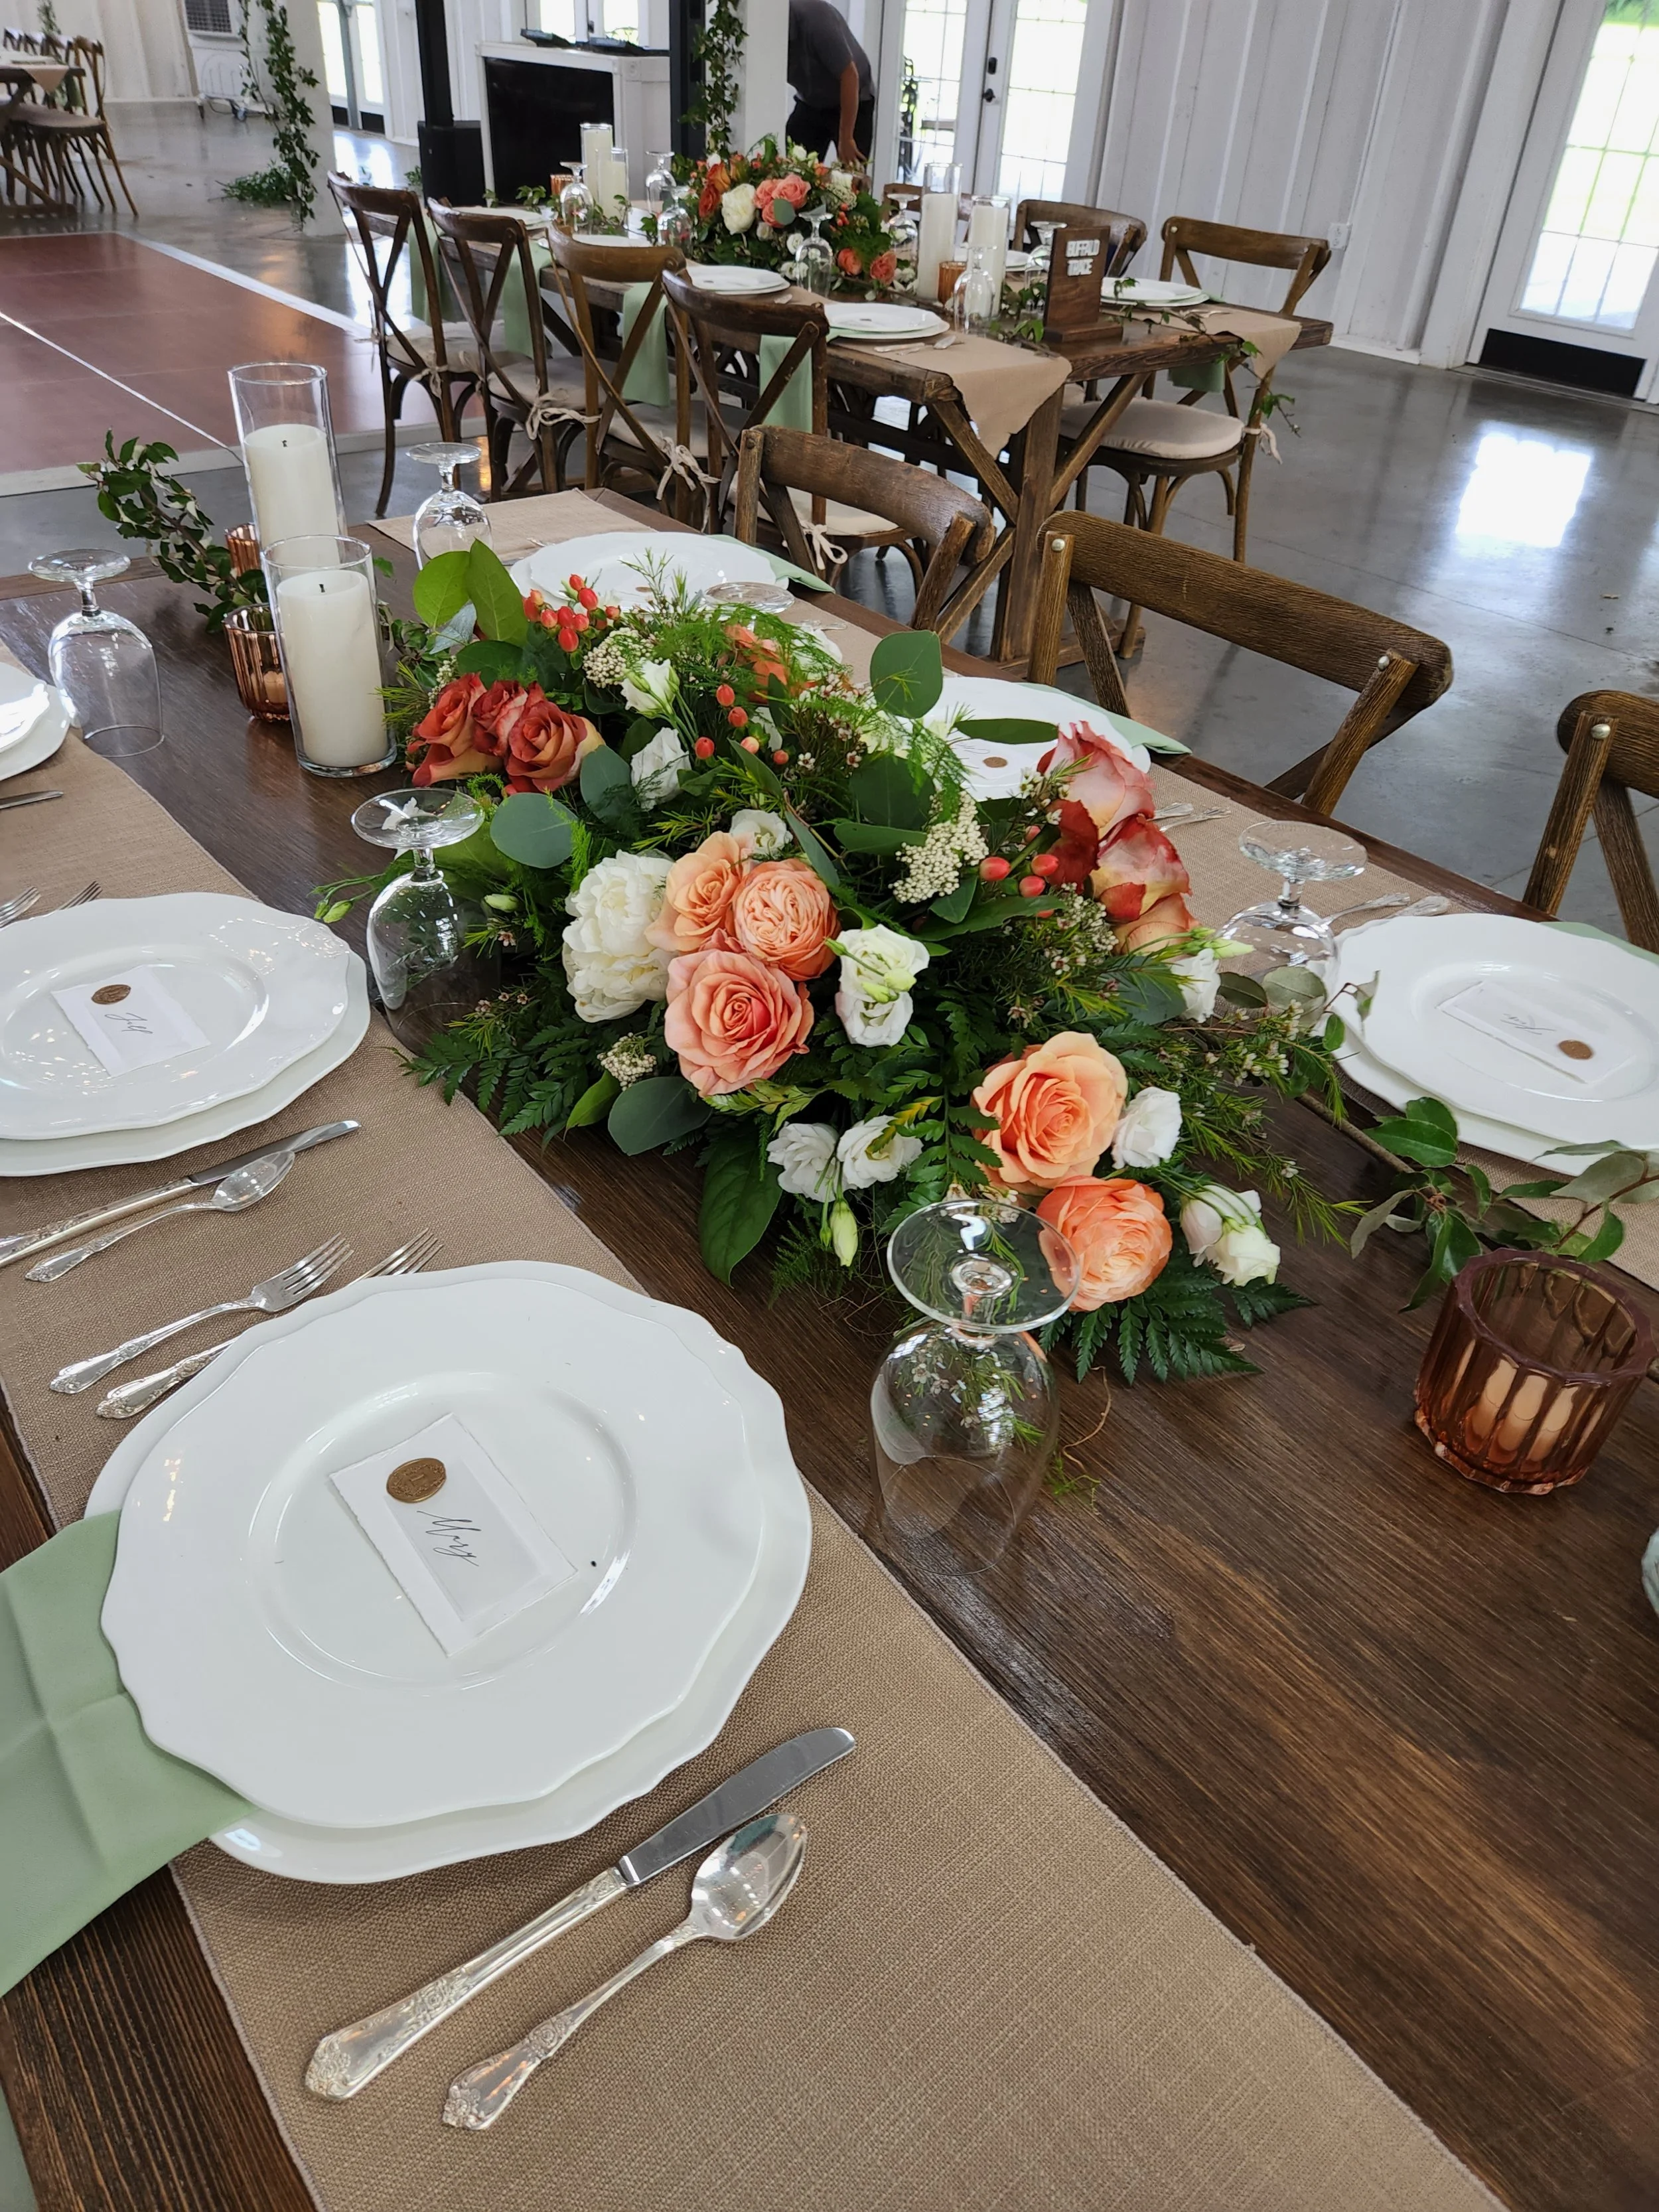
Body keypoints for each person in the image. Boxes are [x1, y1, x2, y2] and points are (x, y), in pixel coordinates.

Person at [786, 0, 874, 167]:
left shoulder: (815, 18)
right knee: (793, 173)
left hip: (853, 96)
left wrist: (847, 137)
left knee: (851, 179)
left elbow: (849, 75)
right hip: (810, 102)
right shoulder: (765, 31)